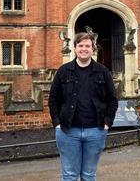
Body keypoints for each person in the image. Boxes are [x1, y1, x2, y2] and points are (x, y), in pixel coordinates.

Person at [49, 32, 118, 181]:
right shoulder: (63, 71)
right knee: (69, 175)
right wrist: (57, 123)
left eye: (87, 46)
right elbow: (53, 99)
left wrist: (107, 123)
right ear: (75, 48)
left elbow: (112, 100)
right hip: (68, 131)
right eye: (80, 45)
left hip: (96, 131)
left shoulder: (102, 71)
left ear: (93, 49)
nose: (84, 49)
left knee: (88, 175)